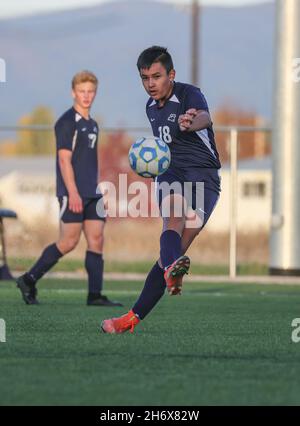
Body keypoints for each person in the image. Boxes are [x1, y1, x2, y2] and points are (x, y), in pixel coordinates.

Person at [101, 46, 221, 333]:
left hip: (204, 178)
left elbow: (205, 116)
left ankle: (132, 316)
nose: (151, 84)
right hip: (170, 172)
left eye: (156, 76)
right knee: (173, 219)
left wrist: (191, 122)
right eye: (145, 78)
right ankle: (170, 273)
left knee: (174, 251)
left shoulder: (189, 93)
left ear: (171, 75)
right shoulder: (150, 107)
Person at [16, 70, 122, 307]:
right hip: (72, 192)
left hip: (92, 193)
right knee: (68, 242)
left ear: (95, 93)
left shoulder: (93, 125)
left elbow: (88, 162)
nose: (86, 96)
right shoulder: (66, 122)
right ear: (73, 92)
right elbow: (64, 160)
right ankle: (28, 279)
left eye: (90, 91)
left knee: (97, 238)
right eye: (82, 91)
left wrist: (97, 191)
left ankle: (95, 295)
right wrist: (73, 192)